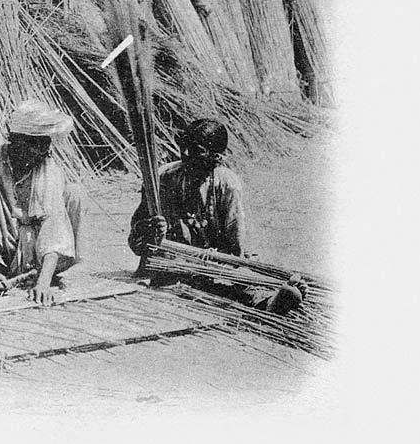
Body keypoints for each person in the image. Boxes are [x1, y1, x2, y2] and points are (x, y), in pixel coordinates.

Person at [127, 118, 305, 314]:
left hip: (214, 264)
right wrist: (149, 229)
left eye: (196, 150)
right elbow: (135, 242)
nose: (185, 155)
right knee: (180, 285)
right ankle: (265, 300)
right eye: (183, 147)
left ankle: (269, 301)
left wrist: (214, 260)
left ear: (216, 157)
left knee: (231, 284)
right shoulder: (161, 179)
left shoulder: (227, 184)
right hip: (170, 264)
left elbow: (236, 247)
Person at [0, 99, 84, 306]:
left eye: (45, 143)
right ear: (16, 140)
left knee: (74, 192)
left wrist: (43, 283)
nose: (42, 151)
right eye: (34, 143)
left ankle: (36, 271)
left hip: (33, 250)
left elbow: (54, 227)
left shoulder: (49, 170)